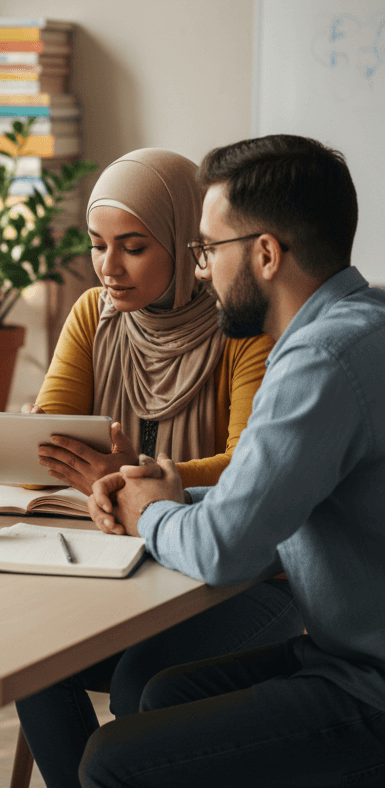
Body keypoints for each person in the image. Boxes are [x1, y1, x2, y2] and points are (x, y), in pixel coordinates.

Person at [81, 134, 385, 787]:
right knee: (161, 694)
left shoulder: (320, 361)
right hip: (348, 657)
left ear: (266, 255)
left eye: (206, 251)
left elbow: (227, 551)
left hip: (370, 688)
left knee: (112, 762)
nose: (200, 270)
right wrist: (165, 498)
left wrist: (151, 514)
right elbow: (271, 507)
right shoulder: (365, 323)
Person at [14, 148, 303, 788]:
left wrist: (133, 479)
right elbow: (47, 451)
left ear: (186, 243)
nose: (108, 267)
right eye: (97, 245)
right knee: (28, 653)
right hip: (120, 563)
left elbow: (246, 469)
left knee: (140, 680)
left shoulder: (243, 325)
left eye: (133, 247)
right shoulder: (94, 315)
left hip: (245, 576)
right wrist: (95, 472)